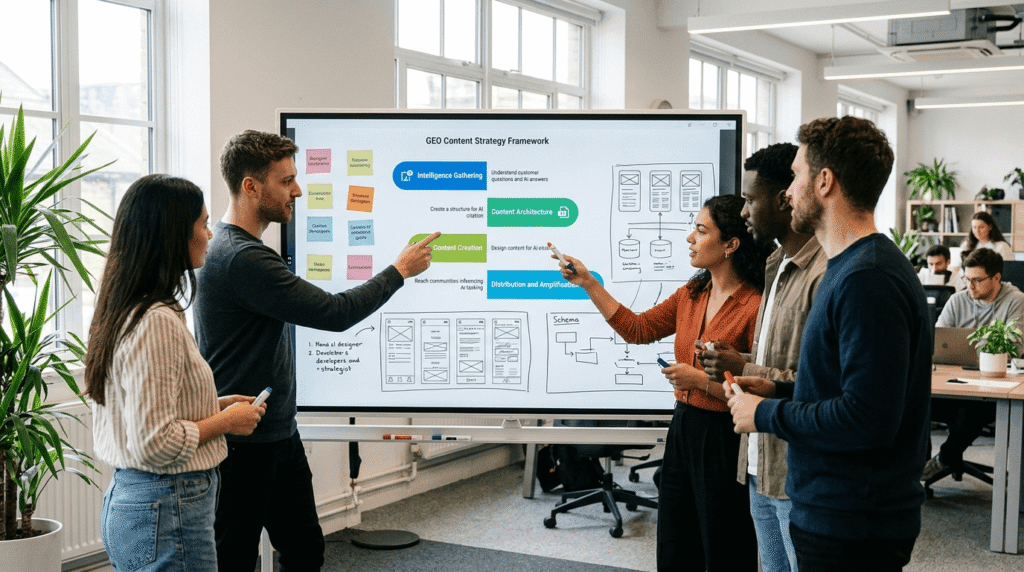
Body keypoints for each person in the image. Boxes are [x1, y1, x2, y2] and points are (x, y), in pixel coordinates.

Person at [194, 130, 439, 572]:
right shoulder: (242, 259)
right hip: (245, 445)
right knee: (234, 560)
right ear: (251, 186)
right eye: (286, 180)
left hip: (275, 434)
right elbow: (335, 312)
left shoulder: (235, 248)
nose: (298, 191)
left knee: (305, 550)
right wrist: (399, 270)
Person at [724, 116, 932, 572]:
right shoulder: (853, 267)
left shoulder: (867, 278)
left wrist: (766, 414)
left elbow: (867, 419)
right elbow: (849, 389)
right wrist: (778, 390)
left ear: (824, 182)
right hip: (838, 510)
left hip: (853, 520)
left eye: (796, 176)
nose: (788, 192)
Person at [555, 194, 770, 571]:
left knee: (724, 545)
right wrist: (588, 283)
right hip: (684, 426)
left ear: (731, 245)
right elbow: (638, 329)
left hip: (727, 436)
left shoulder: (756, 304)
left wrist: (698, 380)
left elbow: (760, 387)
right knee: (675, 541)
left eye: (701, 230)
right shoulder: (692, 293)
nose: (690, 237)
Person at [85, 174, 267, 572]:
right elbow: (155, 441)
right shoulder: (156, 320)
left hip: (139, 499)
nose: (210, 234)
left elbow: (144, 413)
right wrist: (226, 422)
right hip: (168, 503)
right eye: (203, 224)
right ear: (173, 235)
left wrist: (213, 405)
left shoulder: (125, 308)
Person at [700, 142, 827, 572]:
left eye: (750, 200)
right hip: (758, 461)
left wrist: (744, 367)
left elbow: (817, 381)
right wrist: (738, 359)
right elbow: (777, 356)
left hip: (795, 470)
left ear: (783, 199)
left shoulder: (823, 273)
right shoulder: (777, 264)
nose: (744, 212)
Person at [924, 247, 1024, 481]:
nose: (970, 286)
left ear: (996, 278)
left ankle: (945, 458)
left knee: (971, 411)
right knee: (917, 401)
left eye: (977, 280)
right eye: (966, 279)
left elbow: (1015, 348)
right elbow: (939, 341)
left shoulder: (1016, 301)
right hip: (954, 382)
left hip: (991, 388)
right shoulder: (958, 300)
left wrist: (975, 347)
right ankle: (916, 468)